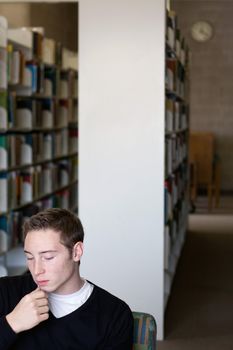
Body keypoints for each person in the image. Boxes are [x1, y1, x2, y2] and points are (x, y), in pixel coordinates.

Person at [0, 208, 133, 349]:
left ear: (76, 252)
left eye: (48, 257)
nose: (37, 270)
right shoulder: (5, 291)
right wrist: (12, 323)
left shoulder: (115, 314)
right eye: (30, 257)